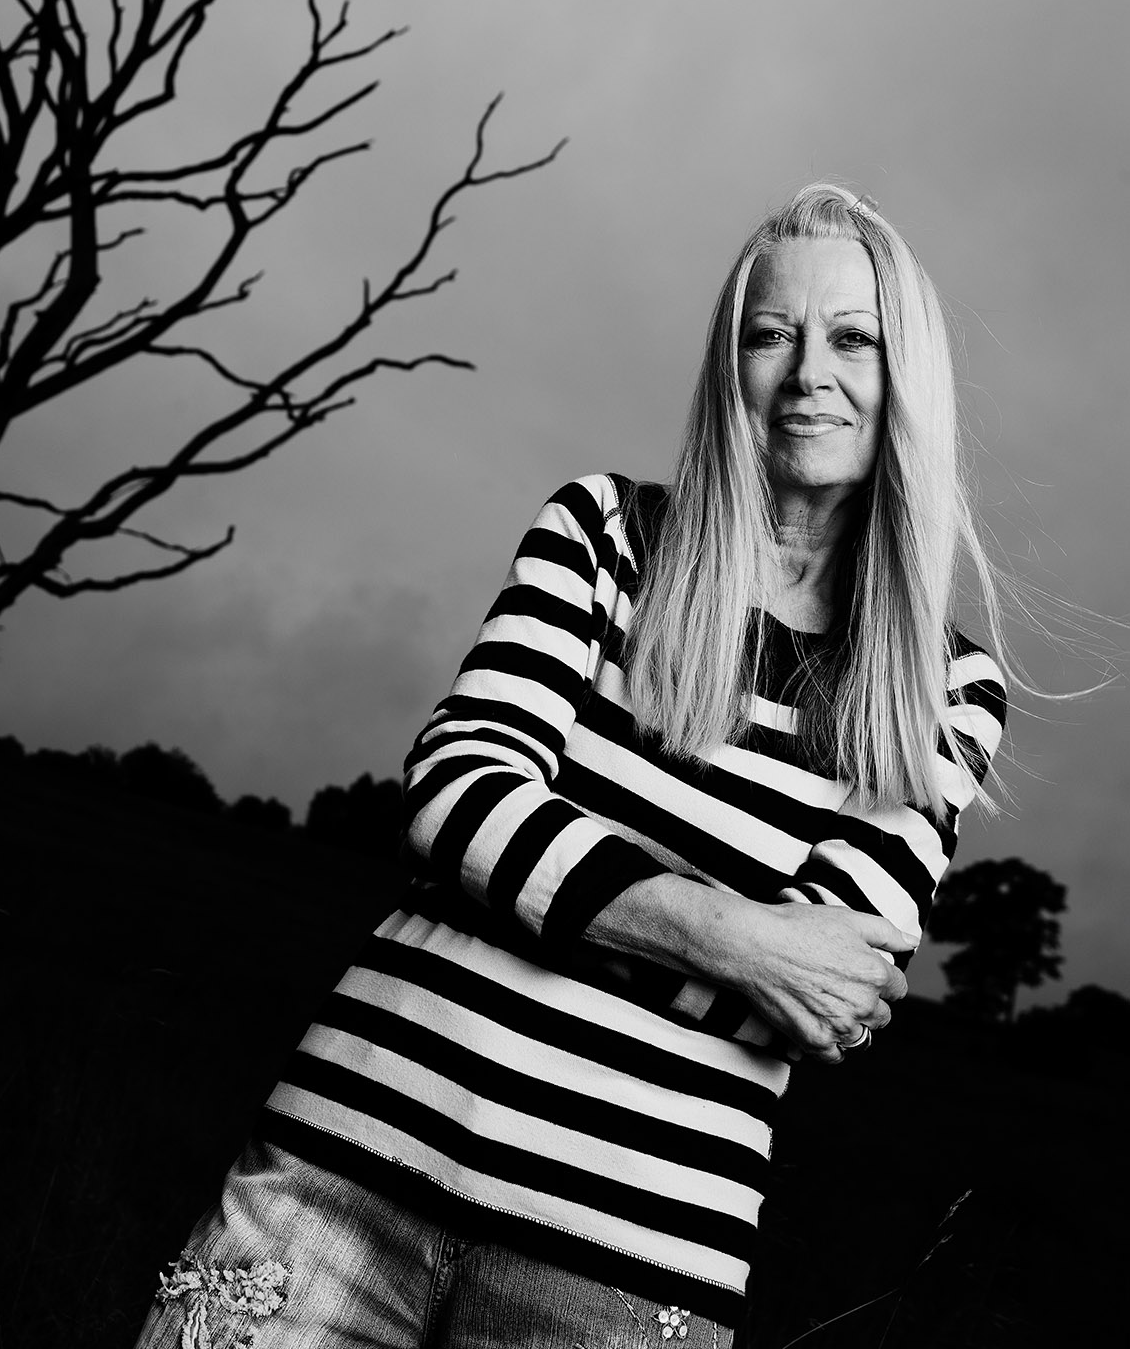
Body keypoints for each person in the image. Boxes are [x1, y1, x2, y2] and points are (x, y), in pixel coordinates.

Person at [136, 184, 1008, 1349]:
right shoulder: (601, 533)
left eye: (853, 337)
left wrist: (539, 879)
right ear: (730, 366)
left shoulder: (943, 688)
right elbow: (455, 795)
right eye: (770, 332)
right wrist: (731, 934)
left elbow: (826, 992)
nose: (808, 371)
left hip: (628, 1273)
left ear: (909, 377)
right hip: (334, 1171)